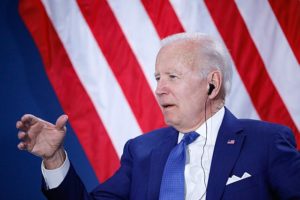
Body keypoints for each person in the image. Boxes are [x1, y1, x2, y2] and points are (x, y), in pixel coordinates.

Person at [17, 32, 300, 200]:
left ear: (212, 83)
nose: (159, 89)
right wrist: (53, 158)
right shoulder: (141, 151)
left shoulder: (265, 142)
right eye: (157, 78)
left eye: (172, 77)